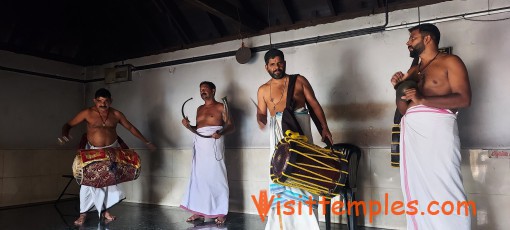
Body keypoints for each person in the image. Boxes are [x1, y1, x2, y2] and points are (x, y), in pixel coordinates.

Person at [390, 23, 471, 229]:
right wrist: (398, 88)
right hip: (414, 134)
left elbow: (464, 99)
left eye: (412, 38)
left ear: (427, 39)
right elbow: (402, 109)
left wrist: (423, 100)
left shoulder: (450, 61)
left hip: (438, 131)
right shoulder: (414, 70)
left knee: (446, 186)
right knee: (417, 189)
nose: (408, 42)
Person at [256, 48, 333, 230]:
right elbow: (261, 114)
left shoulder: (298, 81)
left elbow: (314, 104)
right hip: (277, 138)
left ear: (284, 62)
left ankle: (307, 225)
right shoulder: (263, 90)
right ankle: (281, 225)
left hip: (300, 133)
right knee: (280, 173)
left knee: (303, 171)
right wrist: (261, 120)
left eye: (279, 62)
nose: (277, 67)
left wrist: (325, 128)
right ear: (266, 67)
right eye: (272, 64)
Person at [60, 88, 156, 226]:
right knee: (88, 183)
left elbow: (131, 128)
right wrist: (65, 134)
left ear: (111, 101)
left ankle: (105, 211)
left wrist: (146, 141)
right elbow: (68, 124)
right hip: (93, 152)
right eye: (99, 101)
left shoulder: (116, 114)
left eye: (106, 101)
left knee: (109, 181)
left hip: (112, 151)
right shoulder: (87, 113)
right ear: (95, 101)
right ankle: (83, 215)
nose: (103, 104)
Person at [180, 81, 235, 225]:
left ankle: (221, 212)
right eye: (200, 90)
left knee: (217, 177)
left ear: (213, 90)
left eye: (205, 89)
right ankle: (199, 212)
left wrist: (221, 133)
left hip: (214, 142)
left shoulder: (221, 107)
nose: (202, 91)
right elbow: (197, 129)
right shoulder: (199, 109)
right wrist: (188, 126)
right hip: (200, 145)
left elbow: (231, 126)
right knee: (200, 178)